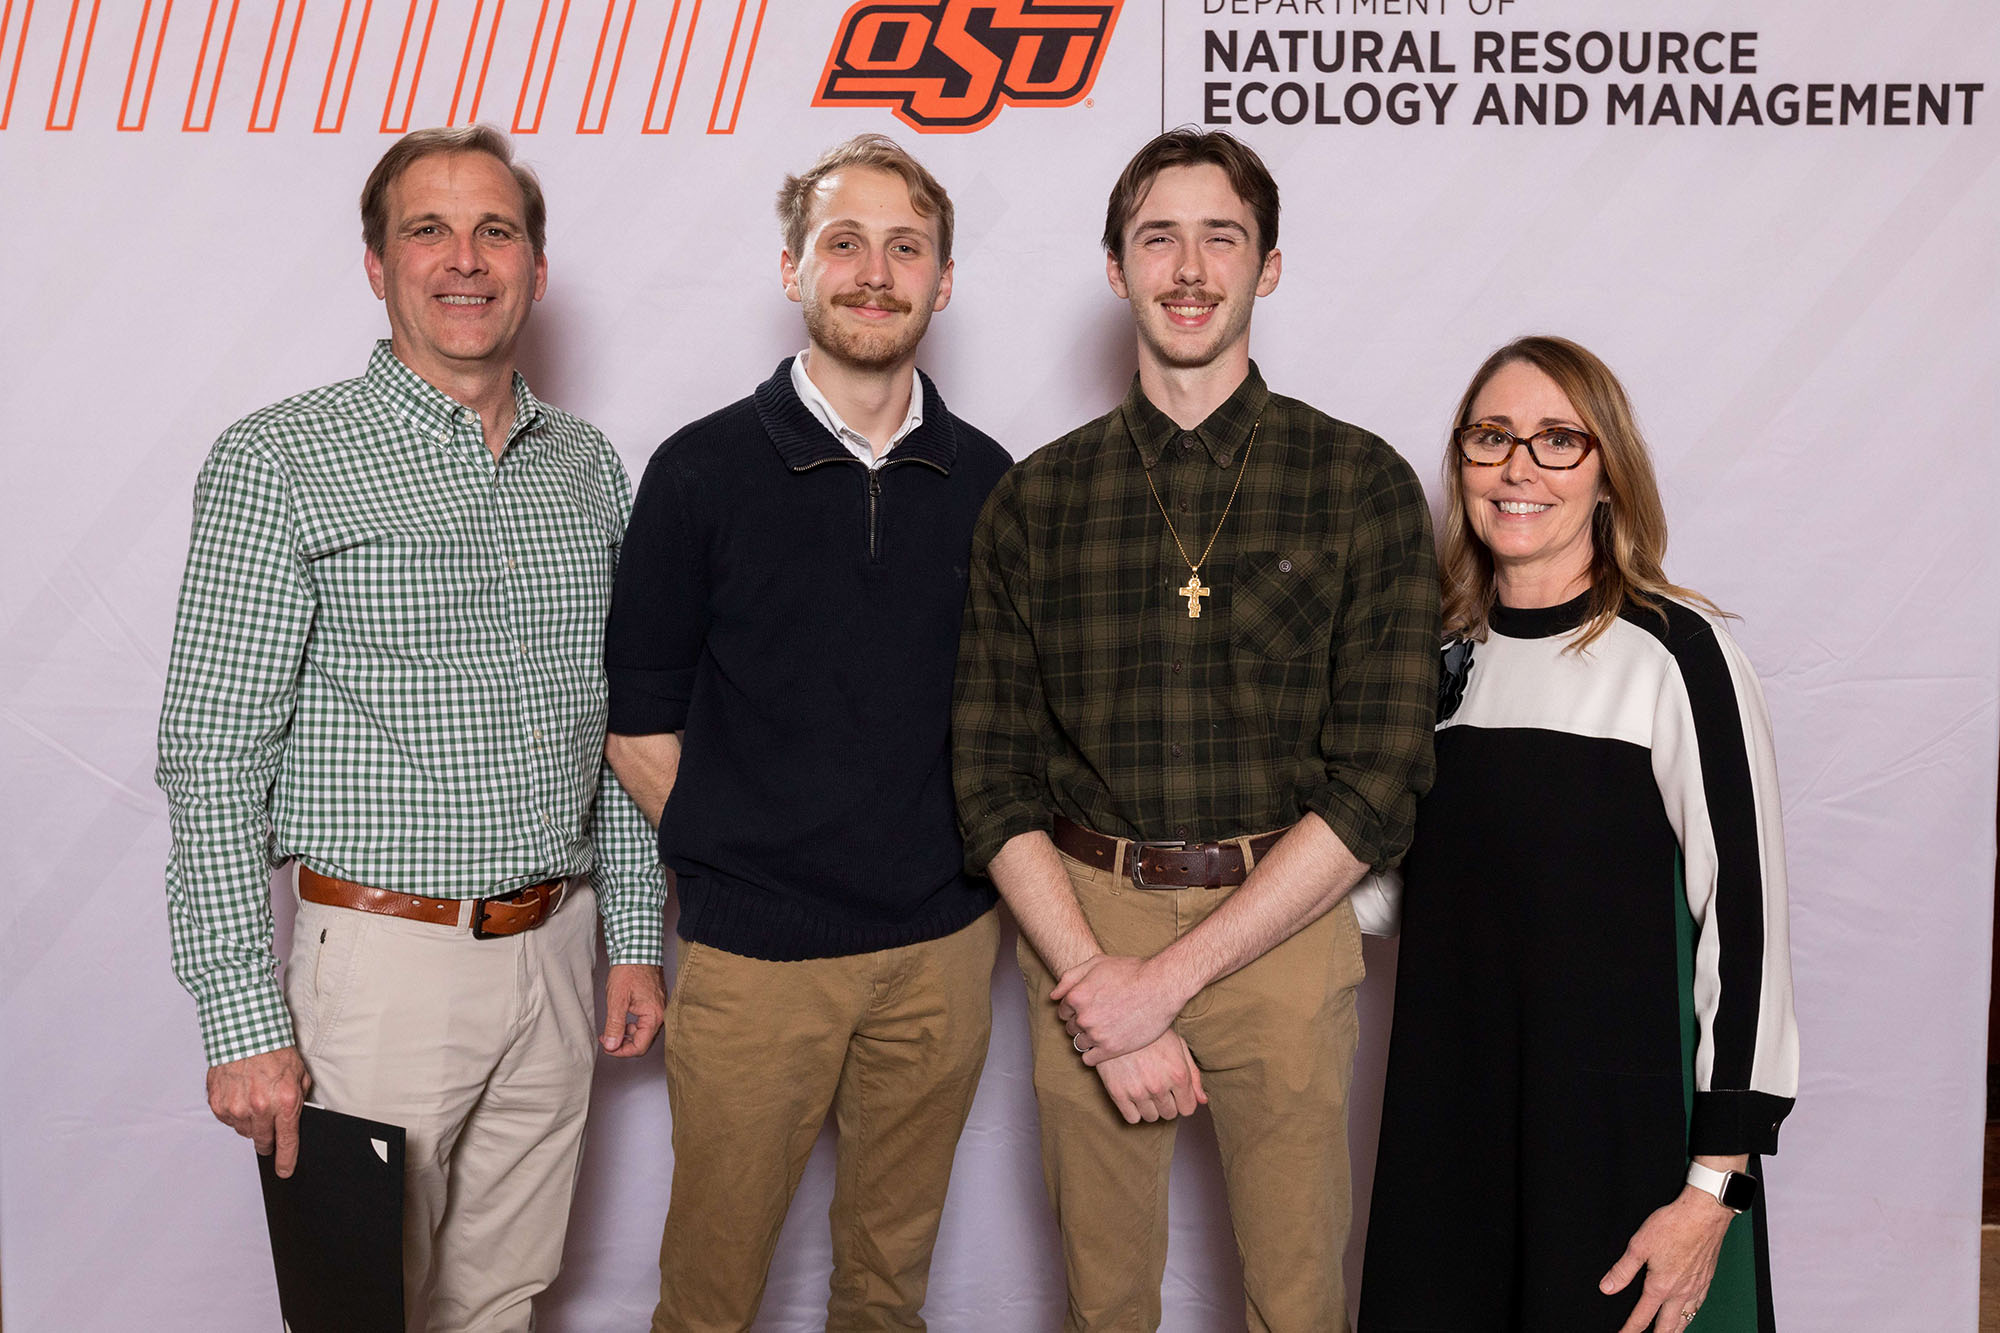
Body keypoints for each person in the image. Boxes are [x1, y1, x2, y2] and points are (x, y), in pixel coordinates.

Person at [156, 125, 667, 1332]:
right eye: (426, 230)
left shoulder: (589, 469)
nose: (464, 259)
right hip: (377, 972)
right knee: (356, 1310)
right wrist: (241, 1020)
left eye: (496, 230)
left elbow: (625, 722)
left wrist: (633, 933)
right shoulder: (280, 459)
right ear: (376, 265)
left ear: (537, 267)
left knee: (501, 1298)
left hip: (558, 953)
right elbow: (212, 759)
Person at [952, 128, 1439, 1333]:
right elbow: (989, 774)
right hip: (1086, 919)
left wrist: (1158, 985)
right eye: (1155, 237)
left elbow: (1381, 778)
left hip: (1284, 916)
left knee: (1296, 1302)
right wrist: (1093, 981)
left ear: (1265, 267)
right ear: (1114, 268)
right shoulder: (1037, 497)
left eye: (1220, 237)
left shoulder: (1359, 482)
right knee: (1104, 1302)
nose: (1187, 266)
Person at [603, 134, 1011, 1333]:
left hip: (937, 958)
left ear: (943, 282)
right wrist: (754, 852)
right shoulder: (698, 471)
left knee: (887, 1291)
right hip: (753, 965)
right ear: (792, 269)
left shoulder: (993, 484)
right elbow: (636, 725)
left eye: (904, 248)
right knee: (712, 1294)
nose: (872, 272)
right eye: (843, 242)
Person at [1359, 335, 1799, 1333]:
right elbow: (1390, 895)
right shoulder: (1429, 664)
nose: (1518, 466)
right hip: (1451, 1139)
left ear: (1607, 473)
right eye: (1490, 437)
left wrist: (1711, 1190)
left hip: (1621, 1149)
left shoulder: (1676, 654)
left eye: (1558, 439)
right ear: (1460, 463)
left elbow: (1749, 927)